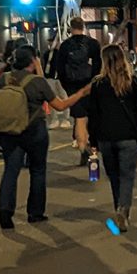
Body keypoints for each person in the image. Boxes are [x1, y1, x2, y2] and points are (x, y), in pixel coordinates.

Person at [0, 45, 90, 229]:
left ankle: (5, 211)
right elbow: (60, 106)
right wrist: (81, 93)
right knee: (37, 171)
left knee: (10, 171)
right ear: (32, 61)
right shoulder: (38, 82)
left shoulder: (4, 79)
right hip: (34, 130)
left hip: (9, 131)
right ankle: (35, 213)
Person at [87, 44, 137, 233]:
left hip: (106, 138)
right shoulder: (131, 81)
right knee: (127, 177)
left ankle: (118, 209)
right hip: (128, 137)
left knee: (114, 177)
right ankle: (123, 209)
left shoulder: (98, 84)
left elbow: (94, 115)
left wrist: (93, 141)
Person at [55, 17, 101, 166]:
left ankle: (82, 148)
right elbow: (98, 66)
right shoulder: (93, 44)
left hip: (73, 87)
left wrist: (67, 86)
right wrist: (94, 83)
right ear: (83, 27)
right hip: (89, 85)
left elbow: (60, 69)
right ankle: (92, 148)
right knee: (93, 118)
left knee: (79, 119)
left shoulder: (65, 46)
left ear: (70, 28)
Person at [42, 35, 73, 131]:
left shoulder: (62, 53)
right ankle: (54, 119)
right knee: (52, 98)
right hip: (50, 78)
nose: (51, 43)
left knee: (64, 97)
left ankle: (65, 119)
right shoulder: (47, 54)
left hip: (61, 78)